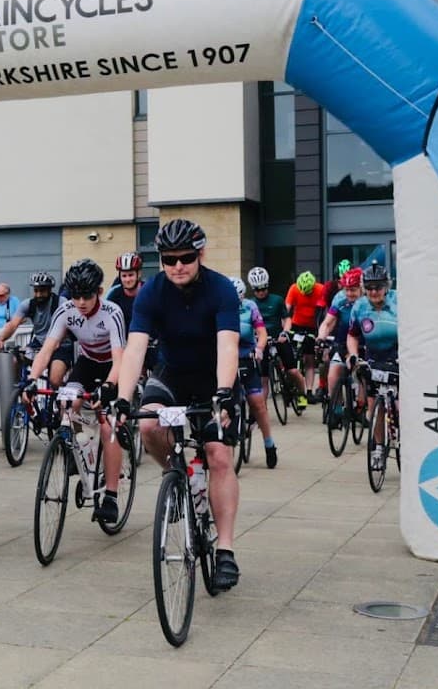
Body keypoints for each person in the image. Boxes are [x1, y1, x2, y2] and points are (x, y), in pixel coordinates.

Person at [114, 219, 243, 590]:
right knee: (149, 425)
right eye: (169, 260)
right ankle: (178, 475)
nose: (178, 266)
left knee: (218, 454)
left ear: (200, 253)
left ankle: (226, 551)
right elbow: (136, 347)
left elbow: (228, 345)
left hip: (211, 377)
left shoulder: (220, 289)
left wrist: (223, 392)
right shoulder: (152, 292)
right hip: (171, 374)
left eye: (186, 257)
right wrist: (123, 399)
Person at [26, 259, 126, 524]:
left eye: (87, 296)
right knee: (67, 403)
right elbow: (47, 349)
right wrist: (32, 379)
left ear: (99, 292)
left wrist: (107, 388)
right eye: (76, 296)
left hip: (112, 368)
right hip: (87, 363)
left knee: (108, 427)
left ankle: (112, 496)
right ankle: (78, 450)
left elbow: (120, 360)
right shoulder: (66, 311)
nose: (81, 302)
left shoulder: (112, 312)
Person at [346, 263, 398, 470]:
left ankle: (404, 441)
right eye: (369, 288)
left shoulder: (399, 302)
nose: (374, 292)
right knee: (375, 409)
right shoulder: (359, 306)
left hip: (397, 355)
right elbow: (352, 335)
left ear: (387, 286)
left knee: (400, 408)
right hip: (373, 357)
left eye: (378, 287)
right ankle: (378, 448)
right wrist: (353, 355)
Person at [0, 271, 71, 389]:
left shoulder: (61, 303)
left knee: (55, 380)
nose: (38, 294)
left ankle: (59, 402)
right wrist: (0, 339)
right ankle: (19, 391)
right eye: (36, 290)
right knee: (14, 360)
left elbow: (70, 325)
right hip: (38, 343)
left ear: (50, 290)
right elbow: (13, 324)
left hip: (60, 345)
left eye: (42, 290)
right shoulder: (28, 304)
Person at [231, 277, 277, 468]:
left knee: (258, 404)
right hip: (229, 359)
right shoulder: (220, 308)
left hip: (248, 356)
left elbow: (262, 332)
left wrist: (259, 348)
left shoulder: (250, 307)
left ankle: (269, 444)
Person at [317, 267, 364, 415]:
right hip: (342, 340)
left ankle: (361, 407)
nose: (349, 293)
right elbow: (328, 322)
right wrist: (320, 338)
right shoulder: (339, 298)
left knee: (362, 374)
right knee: (333, 373)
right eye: (347, 290)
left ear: (361, 289)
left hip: (364, 342)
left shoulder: (367, 301)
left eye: (353, 290)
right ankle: (336, 409)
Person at [279, 270, 327, 409]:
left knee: (309, 359)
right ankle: (287, 384)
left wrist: (320, 332)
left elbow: (323, 312)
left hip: (312, 327)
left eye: (308, 292)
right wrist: (285, 330)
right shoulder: (294, 288)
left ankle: (309, 391)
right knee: (290, 357)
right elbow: (286, 310)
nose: (306, 295)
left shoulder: (320, 289)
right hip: (296, 324)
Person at [313, 259, 351, 402]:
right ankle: (323, 387)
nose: (343, 285)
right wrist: (320, 336)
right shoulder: (329, 288)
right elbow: (321, 312)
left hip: (351, 328)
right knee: (325, 359)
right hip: (334, 321)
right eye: (340, 281)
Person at [106, 252, 144, 337]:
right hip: (123, 343)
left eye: (131, 275)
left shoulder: (149, 292)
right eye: (124, 276)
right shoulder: (113, 294)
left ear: (139, 274)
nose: (127, 279)